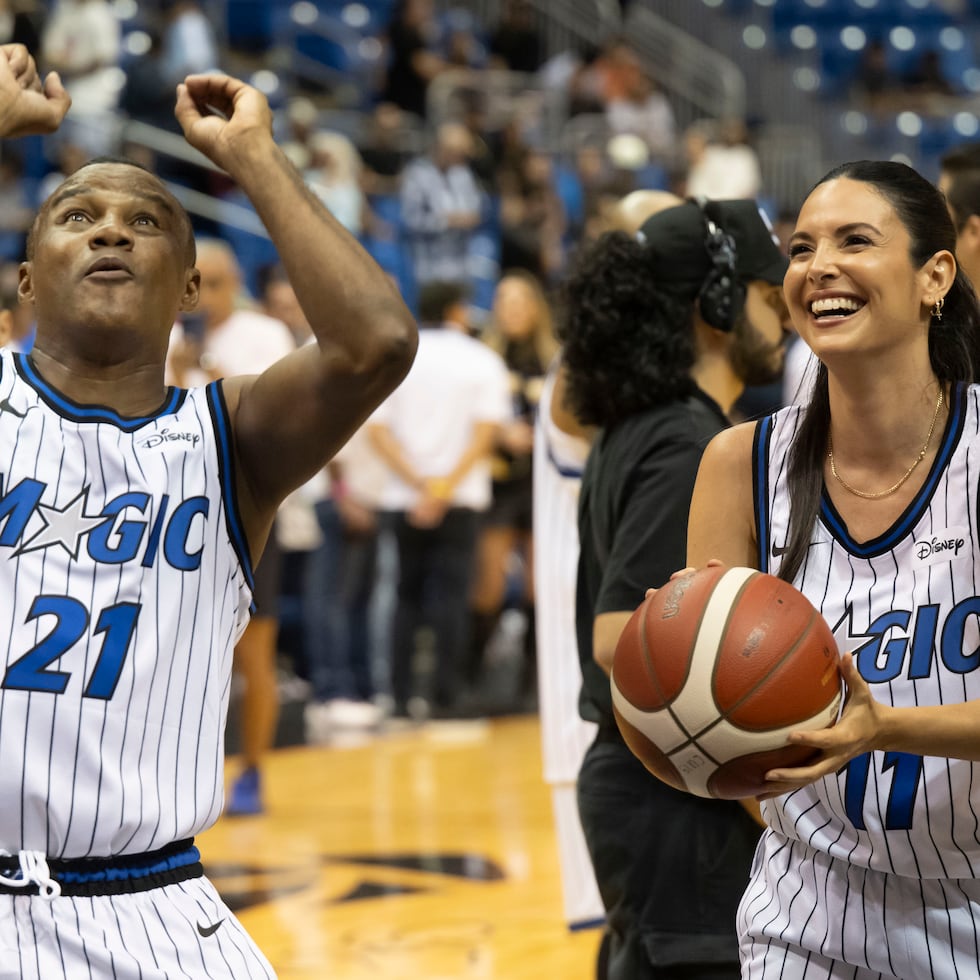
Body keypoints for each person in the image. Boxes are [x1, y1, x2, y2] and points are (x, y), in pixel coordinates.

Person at [0, 48, 416, 978]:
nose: (111, 233)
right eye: (78, 217)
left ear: (191, 289)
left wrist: (254, 156)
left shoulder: (230, 436)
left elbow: (375, 344)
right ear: (25, 279)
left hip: (152, 910)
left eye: (145, 223)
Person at [685, 160, 980, 977]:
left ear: (935, 277)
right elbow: (713, 732)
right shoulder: (736, 464)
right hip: (805, 911)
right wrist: (666, 687)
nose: (819, 268)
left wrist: (884, 730)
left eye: (856, 241)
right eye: (800, 247)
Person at [562, 197, 792, 978]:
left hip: (646, 794)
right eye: (770, 294)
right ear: (719, 303)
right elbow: (617, 629)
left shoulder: (646, 422)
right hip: (672, 803)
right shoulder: (688, 440)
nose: (789, 314)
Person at [368, 280, 510, 718]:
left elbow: (377, 432)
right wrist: (443, 487)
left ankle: (397, 697)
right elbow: (486, 436)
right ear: (458, 311)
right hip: (460, 498)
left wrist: (419, 485)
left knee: (404, 595)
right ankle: (446, 697)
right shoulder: (483, 360)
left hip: (402, 497)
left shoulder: (397, 358)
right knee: (451, 597)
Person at [468, 269, 556, 707]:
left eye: (520, 301)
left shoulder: (555, 358)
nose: (512, 309)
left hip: (540, 484)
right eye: (504, 301)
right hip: (497, 484)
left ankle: (529, 684)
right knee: (487, 582)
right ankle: (473, 676)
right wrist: (498, 436)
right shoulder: (482, 357)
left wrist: (537, 437)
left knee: (537, 586)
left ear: (535, 308)